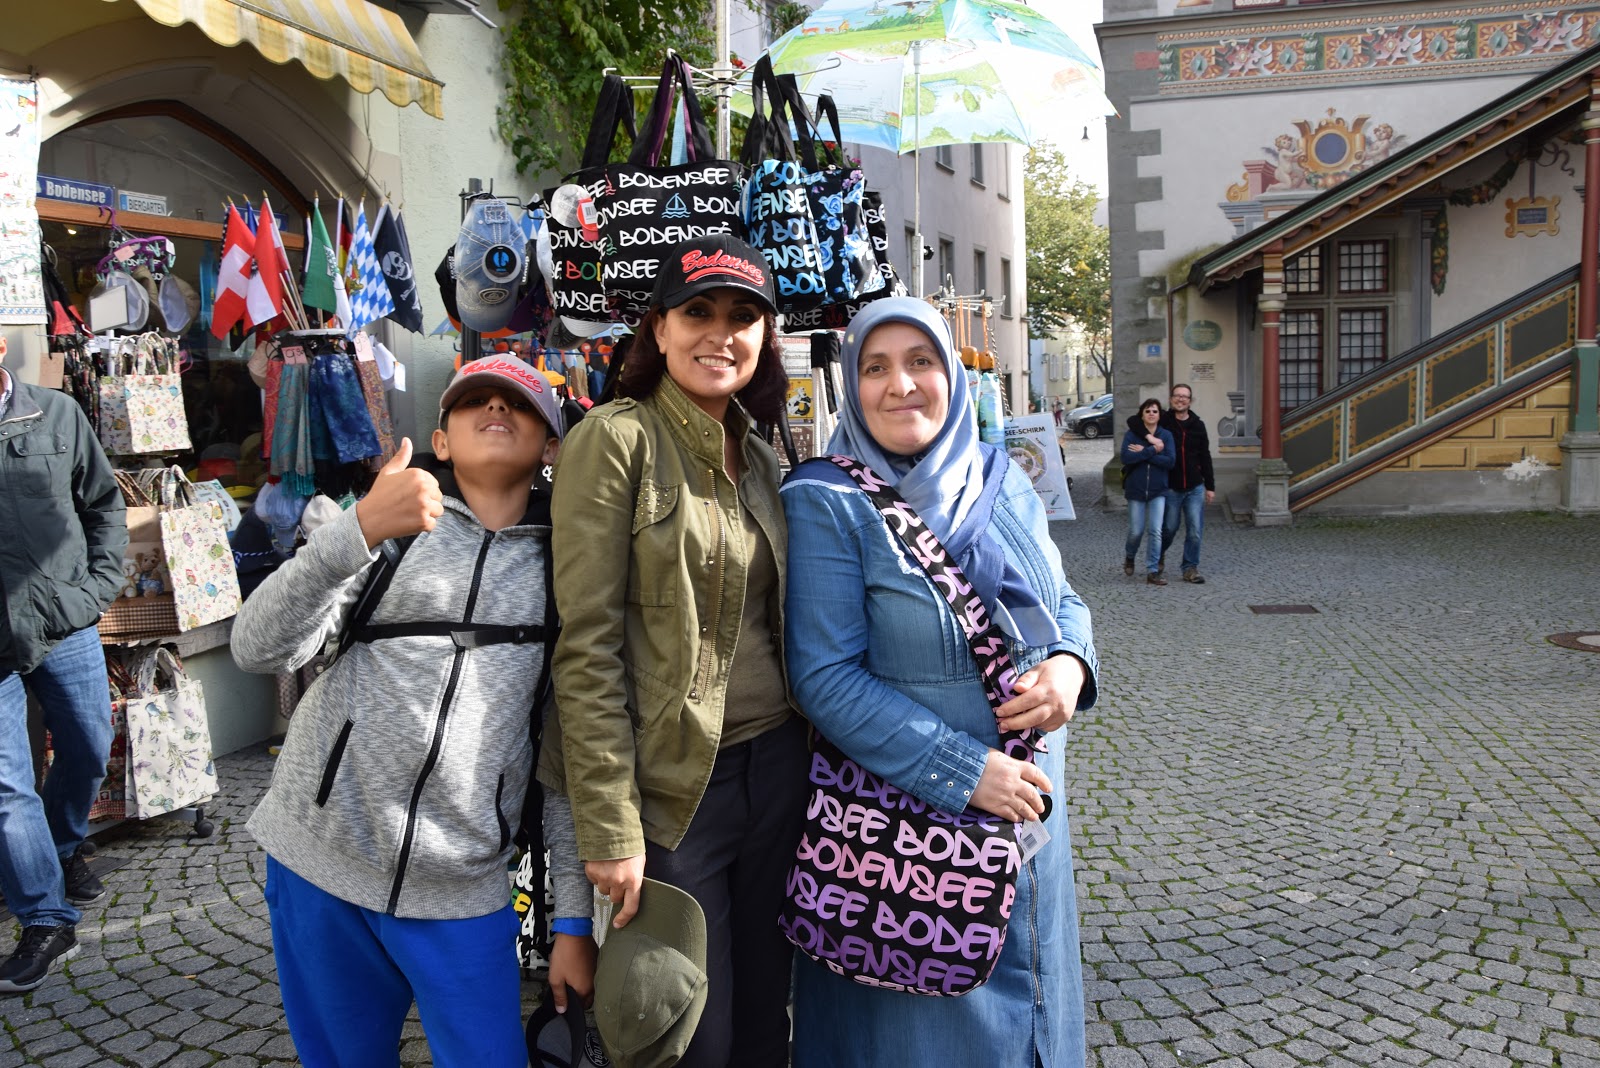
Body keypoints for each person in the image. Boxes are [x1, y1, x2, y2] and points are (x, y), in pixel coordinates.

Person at [234, 357, 594, 1065]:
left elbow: (566, 760)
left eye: (519, 405)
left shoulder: (569, 569)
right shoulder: (386, 528)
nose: (496, 410)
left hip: (462, 886)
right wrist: (358, 529)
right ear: (442, 439)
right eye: (475, 401)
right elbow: (256, 646)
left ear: (551, 446)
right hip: (320, 862)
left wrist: (574, 922)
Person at [781, 297, 1099, 1067]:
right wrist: (964, 773)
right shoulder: (827, 501)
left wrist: (1069, 665)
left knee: (1036, 1014)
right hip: (913, 839)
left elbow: (1062, 601)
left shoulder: (999, 475)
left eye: (920, 361)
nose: (902, 385)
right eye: (876, 368)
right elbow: (823, 677)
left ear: (952, 376)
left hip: (1030, 822)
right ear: (852, 385)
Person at [541, 235, 805, 1067]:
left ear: (764, 337)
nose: (720, 334)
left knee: (763, 1022)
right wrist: (610, 824)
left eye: (742, 317)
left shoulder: (758, 454)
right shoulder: (616, 439)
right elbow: (585, 646)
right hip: (676, 789)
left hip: (778, 769)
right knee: (686, 1036)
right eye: (698, 312)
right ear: (658, 328)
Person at [0, 336, 127, 995]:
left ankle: (62, 844)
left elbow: (104, 504)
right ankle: (46, 919)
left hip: (61, 620)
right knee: (5, 787)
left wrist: (93, 591)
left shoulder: (54, 413)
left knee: (88, 745)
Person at [1159, 383, 1216, 584]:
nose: (1181, 399)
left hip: (1194, 487)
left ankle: (1190, 568)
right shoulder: (1163, 421)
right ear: (1171, 399)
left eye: (1185, 396)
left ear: (1190, 401)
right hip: (1171, 487)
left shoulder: (1198, 425)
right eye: (1177, 395)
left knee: (1195, 530)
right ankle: (1158, 555)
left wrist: (1210, 486)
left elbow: (1205, 456)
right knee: (1169, 528)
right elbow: (1135, 422)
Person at [1122, 398, 1175, 586]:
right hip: (1136, 489)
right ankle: (1130, 556)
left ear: (1159, 415)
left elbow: (1170, 462)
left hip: (1158, 490)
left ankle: (1152, 570)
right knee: (1136, 531)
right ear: (1142, 414)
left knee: (1155, 531)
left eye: (1155, 411)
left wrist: (1143, 453)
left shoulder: (1166, 436)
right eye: (1147, 411)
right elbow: (1126, 458)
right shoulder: (1132, 435)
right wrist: (1152, 450)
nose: (1151, 414)